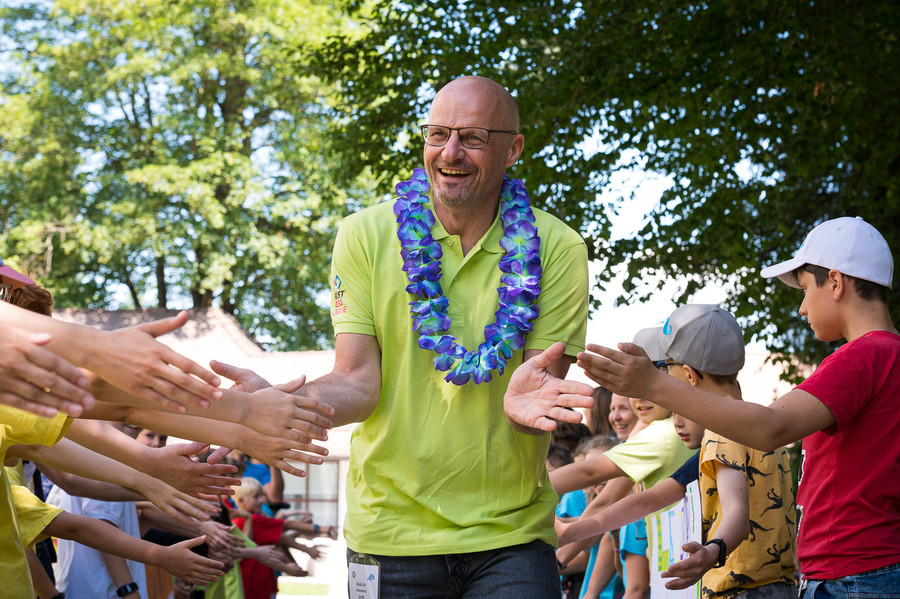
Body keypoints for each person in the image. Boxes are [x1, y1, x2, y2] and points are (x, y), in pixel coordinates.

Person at [213, 75, 594, 596]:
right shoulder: (363, 235)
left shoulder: (558, 248)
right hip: (389, 537)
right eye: (438, 134)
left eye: (473, 137)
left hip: (510, 536)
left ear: (513, 149)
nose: (451, 152)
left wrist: (526, 414)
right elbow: (357, 382)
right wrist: (285, 402)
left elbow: (536, 406)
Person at [577, 216, 899, 597]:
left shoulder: (860, 357)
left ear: (835, 281)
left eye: (804, 289)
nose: (801, 308)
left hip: (851, 574)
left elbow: (772, 427)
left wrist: (652, 384)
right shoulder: (888, 355)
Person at [562, 304, 797, 598]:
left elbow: (737, 509)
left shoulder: (722, 432)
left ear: (688, 375)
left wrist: (714, 550)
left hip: (741, 590)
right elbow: (652, 499)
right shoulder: (759, 422)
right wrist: (572, 532)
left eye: (663, 372)